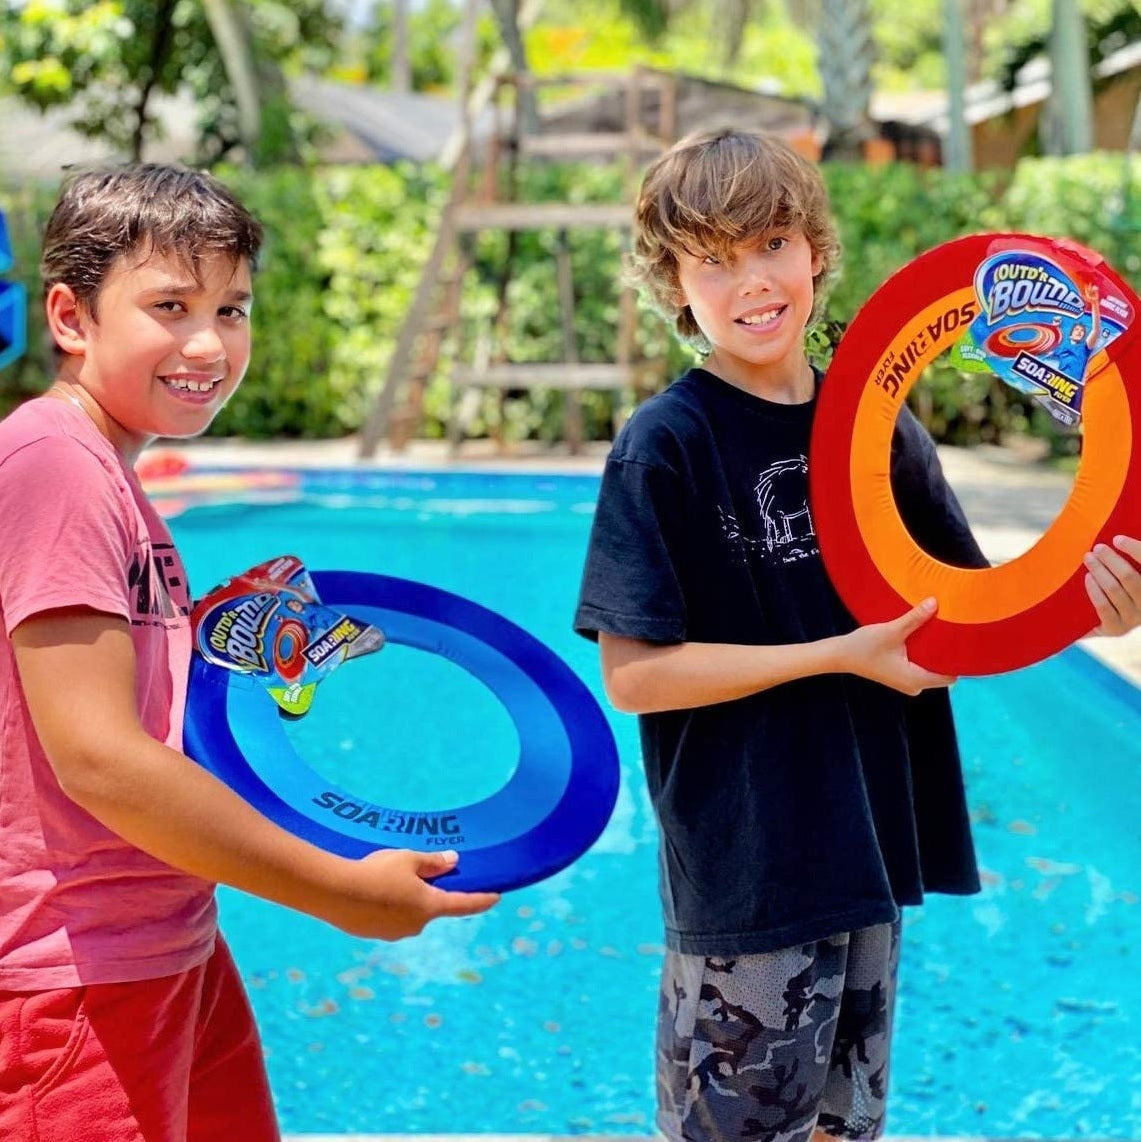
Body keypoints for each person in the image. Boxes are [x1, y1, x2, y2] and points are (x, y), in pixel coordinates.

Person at [573, 128, 1141, 1142]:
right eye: (714, 256)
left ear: (816, 253)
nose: (753, 280)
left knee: (845, 1127)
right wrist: (839, 653)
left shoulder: (876, 425)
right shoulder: (666, 444)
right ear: (673, 281)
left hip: (866, 849)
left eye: (773, 244)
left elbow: (977, 610)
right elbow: (637, 675)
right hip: (748, 871)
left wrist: (1103, 601)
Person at [0, 163, 499, 1142]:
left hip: (170, 948)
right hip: (76, 978)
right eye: (170, 305)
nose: (207, 341)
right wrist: (334, 887)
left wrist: (233, 652)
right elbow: (97, 756)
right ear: (71, 316)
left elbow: (131, 710)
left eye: (232, 308)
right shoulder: (53, 463)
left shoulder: (111, 479)